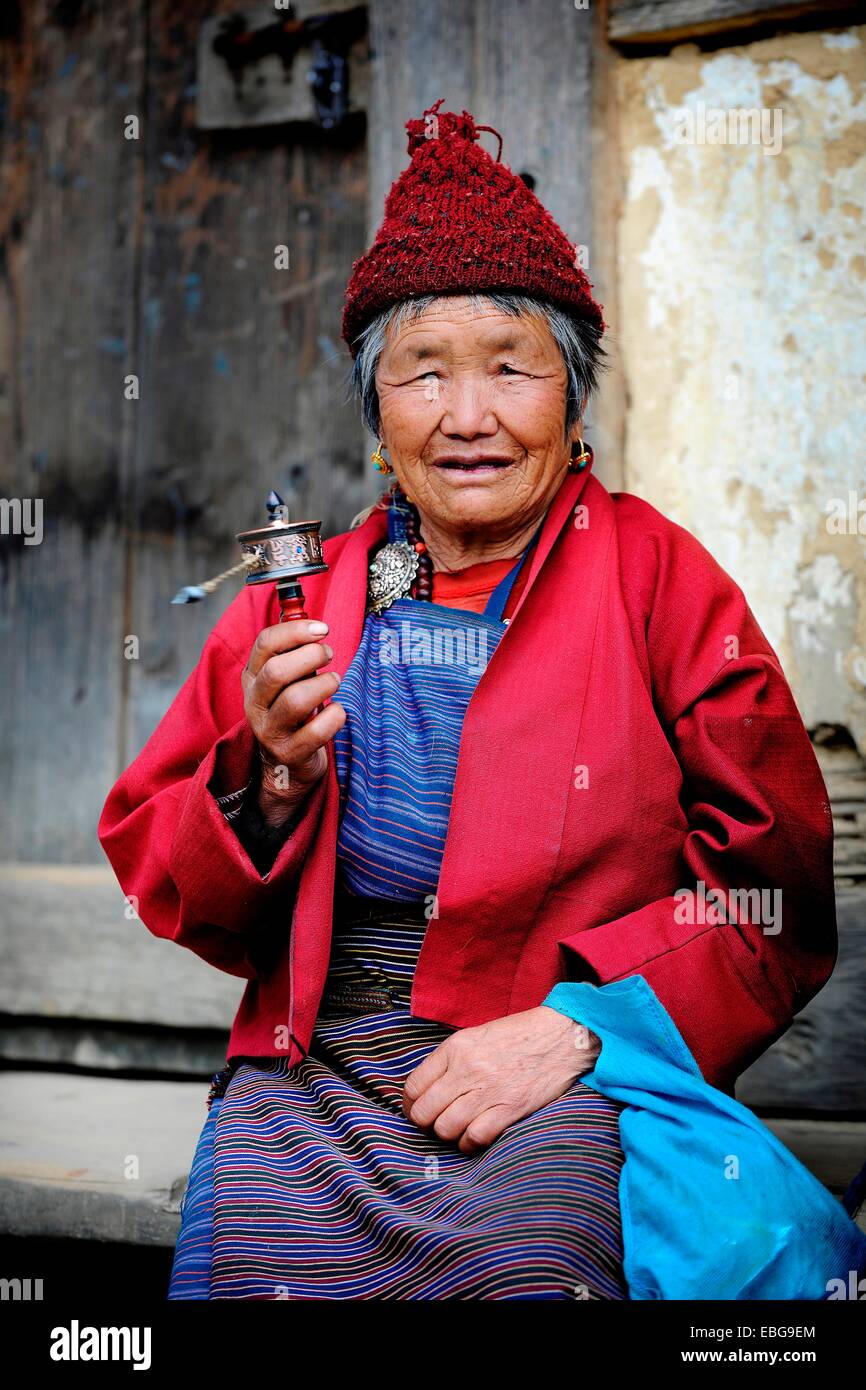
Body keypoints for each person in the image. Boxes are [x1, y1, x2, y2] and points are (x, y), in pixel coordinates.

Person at [98, 100, 836, 1300]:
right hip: (319, 1064)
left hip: (558, 1064)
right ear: (378, 419)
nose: (468, 416)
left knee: (531, 1263)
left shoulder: (658, 579)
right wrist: (269, 781)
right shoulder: (302, 601)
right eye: (422, 374)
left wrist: (583, 1029)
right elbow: (163, 875)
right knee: (248, 1269)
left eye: (509, 366)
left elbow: (774, 894)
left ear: (573, 400)